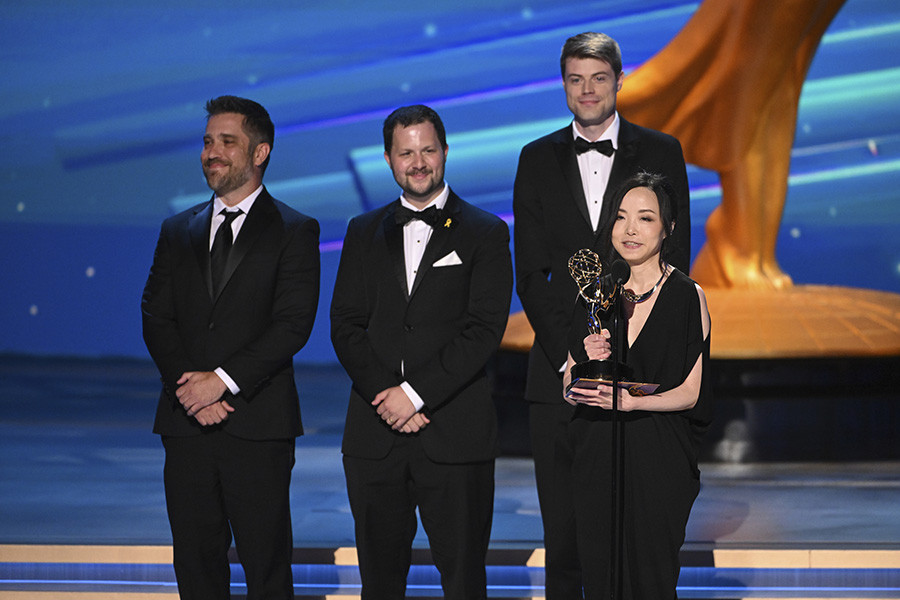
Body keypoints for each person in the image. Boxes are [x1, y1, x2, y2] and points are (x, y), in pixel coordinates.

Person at [512, 31, 691, 597]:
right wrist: (572, 354)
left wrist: (628, 346)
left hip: (638, 377)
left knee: (633, 536)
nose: (587, 90)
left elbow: (675, 265)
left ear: (619, 80)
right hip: (559, 377)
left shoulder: (661, 152)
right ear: (563, 84)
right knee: (565, 539)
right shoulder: (536, 158)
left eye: (598, 78)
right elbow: (530, 273)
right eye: (575, 79)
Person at [142, 95, 321, 600]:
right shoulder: (177, 229)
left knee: (266, 567)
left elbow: (292, 325)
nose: (211, 153)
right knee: (195, 564)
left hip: (257, 423)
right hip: (186, 424)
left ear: (260, 152)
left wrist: (219, 383)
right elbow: (156, 315)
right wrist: (190, 390)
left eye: (226, 142)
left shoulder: (295, 230)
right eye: (207, 142)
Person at [330, 104, 512, 600]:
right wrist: (387, 395)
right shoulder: (362, 231)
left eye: (427, 150)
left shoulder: (486, 231)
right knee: (379, 583)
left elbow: (483, 330)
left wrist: (413, 395)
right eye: (406, 153)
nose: (418, 162)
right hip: (375, 436)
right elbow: (345, 325)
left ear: (445, 152)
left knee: (463, 581)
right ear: (388, 159)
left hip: (454, 434)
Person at [564, 171, 712, 599]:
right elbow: (567, 384)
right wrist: (587, 364)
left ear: (668, 228)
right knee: (600, 579)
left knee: (651, 580)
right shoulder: (594, 294)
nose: (630, 229)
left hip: (657, 457)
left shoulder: (687, 295)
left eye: (645, 218)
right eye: (621, 217)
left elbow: (691, 392)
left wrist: (630, 403)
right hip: (598, 453)